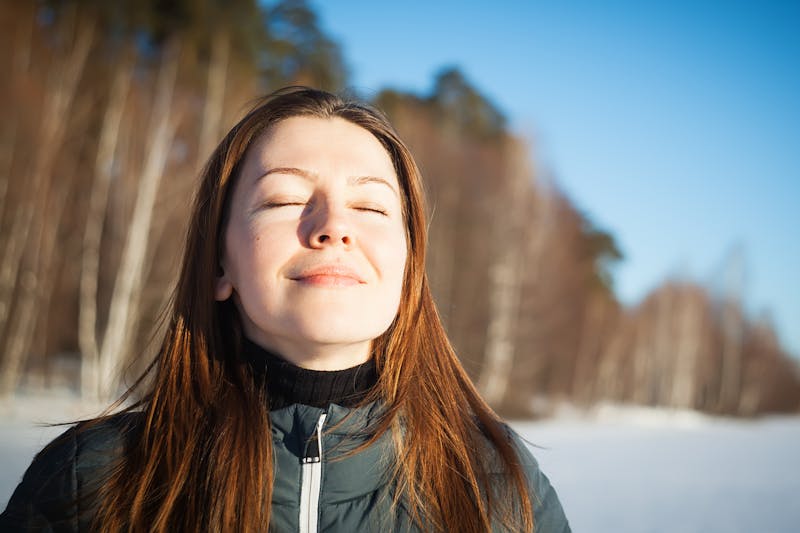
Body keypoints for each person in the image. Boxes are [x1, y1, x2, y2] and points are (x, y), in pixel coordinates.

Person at [1, 87, 570, 532]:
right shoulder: (93, 482)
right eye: (285, 199)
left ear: (408, 271)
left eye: (370, 206)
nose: (334, 228)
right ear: (220, 265)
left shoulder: (498, 485)